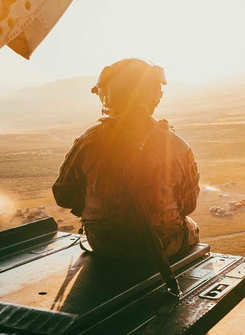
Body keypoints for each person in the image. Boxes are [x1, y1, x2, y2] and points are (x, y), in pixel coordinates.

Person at [52, 58, 200, 261]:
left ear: (107, 96)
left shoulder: (88, 141)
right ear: (155, 95)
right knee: (192, 227)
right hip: (161, 245)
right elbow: (188, 205)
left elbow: (63, 195)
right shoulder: (176, 145)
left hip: (104, 243)